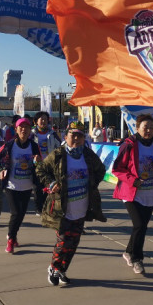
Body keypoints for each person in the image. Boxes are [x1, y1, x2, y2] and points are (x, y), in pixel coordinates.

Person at [37, 121, 107, 286]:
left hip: (81, 207)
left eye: (79, 136)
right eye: (73, 135)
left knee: (74, 242)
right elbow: (41, 169)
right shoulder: (58, 154)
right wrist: (52, 183)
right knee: (63, 241)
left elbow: (101, 170)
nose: (76, 139)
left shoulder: (88, 155)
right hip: (62, 207)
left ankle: (62, 269)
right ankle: (54, 267)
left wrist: (92, 184)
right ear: (65, 136)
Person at [112, 113, 153, 275]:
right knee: (139, 225)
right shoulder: (129, 145)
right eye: (145, 127)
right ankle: (137, 259)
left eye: (151, 128)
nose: (149, 130)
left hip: (150, 193)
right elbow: (117, 169)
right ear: (137, 128)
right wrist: (133, 180)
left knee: (141, 227)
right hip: (131, 192)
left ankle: (128, 252)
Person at [0, 117, 42, 253]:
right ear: (16, 129)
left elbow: (39, 163)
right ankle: (10, 239)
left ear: (30, 130)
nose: (24, 130)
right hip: (12, 185)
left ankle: (13, 236)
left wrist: (38, 161)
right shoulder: (9, 145)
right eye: (21, 127)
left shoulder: (33, 146)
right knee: (15, 213)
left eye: (27, 127)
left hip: (27, 185)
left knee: (21, 214)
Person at [32, 111, 62, 215]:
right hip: (36, 164)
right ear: (36, 121)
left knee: (49, 186)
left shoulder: (52, 134)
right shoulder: (32, 134)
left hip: (49, 165)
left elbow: (59, 146)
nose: (44, 121)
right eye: (41, 119)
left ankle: (46, 207)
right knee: (37, 187)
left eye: (45, 119)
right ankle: (38, 208)